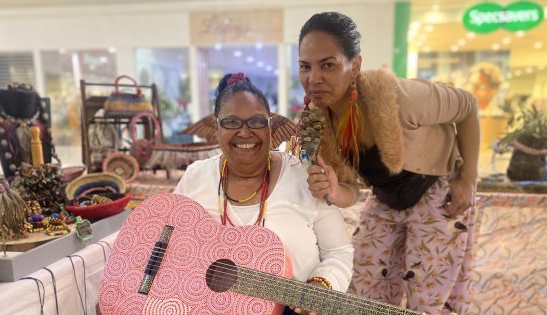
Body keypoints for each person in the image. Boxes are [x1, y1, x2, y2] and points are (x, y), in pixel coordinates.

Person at [297, 12, 480, 315]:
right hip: (386, 197)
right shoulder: (316, 123)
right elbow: (350, 191)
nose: (313, 78)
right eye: (305, 66)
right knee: (363, 286)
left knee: (427, 296)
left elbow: (468, 107)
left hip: (437, 190)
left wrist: (468, 178)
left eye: (327, 65)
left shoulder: (397, 97)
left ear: (354, 65)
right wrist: (332, 188)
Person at [173, 72, 354, 315]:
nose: (245, 132)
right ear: (216, 126)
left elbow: (338, 251)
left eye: (257, 121)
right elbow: (166, 244)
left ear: (270, 126)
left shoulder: (307, 178)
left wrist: (322, 285)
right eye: (231, 122)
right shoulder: (195, 177)